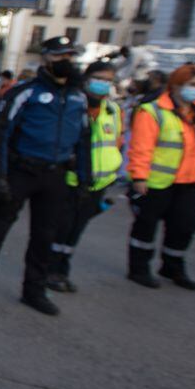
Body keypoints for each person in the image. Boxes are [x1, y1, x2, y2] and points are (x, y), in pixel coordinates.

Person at [0, 35, 90, 315]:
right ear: (46, 59)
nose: (67, 63)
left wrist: (85, 178)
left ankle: (34, 291)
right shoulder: (25, 92)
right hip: (20, 171)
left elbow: (84, 139)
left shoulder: (77, 96)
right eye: (61, 57)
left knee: (44, 236)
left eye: (70, 57)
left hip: (56, 174)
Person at [125, 63, 195, 289]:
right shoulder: (153, 111)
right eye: (193, 85)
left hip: (190, 181)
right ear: (177, 85)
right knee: (146, 227)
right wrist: (139, 176)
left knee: (184, 227)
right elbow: (141, 147)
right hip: (157, 182)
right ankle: (139, 268)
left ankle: (172, 267)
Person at [47, 61, 123, 292]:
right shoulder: (72, 105)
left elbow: (116, 142)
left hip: (99, 181)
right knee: (61, 227)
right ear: (87, 78)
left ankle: (62, 270)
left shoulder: (113, 110)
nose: (103, 84)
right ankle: (49, 270)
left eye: (108, 80)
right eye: (99, 78)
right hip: (70, 179)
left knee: (75, 231)